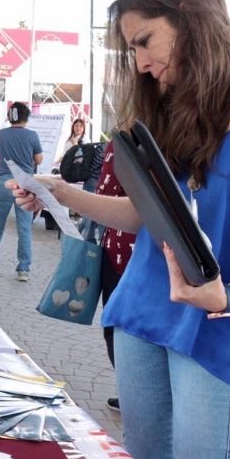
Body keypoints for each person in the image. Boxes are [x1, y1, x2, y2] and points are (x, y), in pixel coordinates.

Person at [10, 0, 230, 459]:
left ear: (191, 16)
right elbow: (150, 217)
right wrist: (63, 194)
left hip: (219, 325)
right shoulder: (176, 104)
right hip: (141, 311)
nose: (141, 63)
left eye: (145, 41)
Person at [94, 140, 137, 411]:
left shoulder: (124, 142)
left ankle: (131, 392)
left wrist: (61, 192)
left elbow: (105, 193)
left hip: (121, 250)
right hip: (164, 255)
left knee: (115, 324)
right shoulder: (188, 136)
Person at [0, 102, 42, 281]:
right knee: (24, 228)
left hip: (5, 182)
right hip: (25, 184)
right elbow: (39, 159)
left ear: (10, 116)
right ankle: (23, 270)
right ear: (26, 117)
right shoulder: (33, 135)